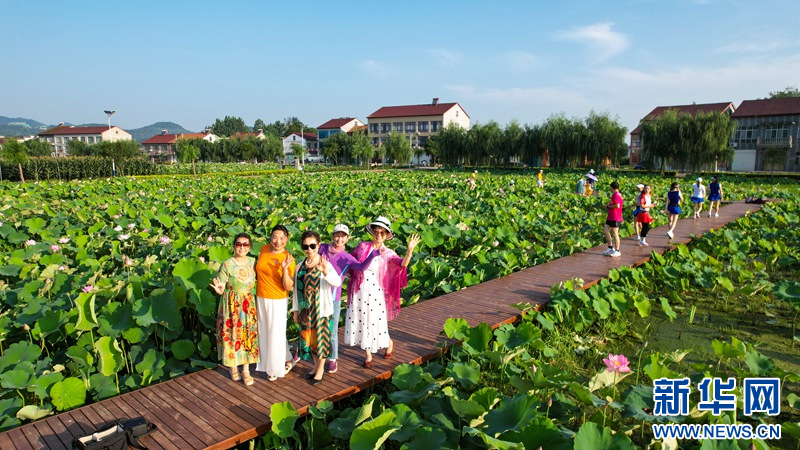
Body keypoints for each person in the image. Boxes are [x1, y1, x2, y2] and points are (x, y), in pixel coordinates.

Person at [345, 216, 421, 368]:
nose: (379, 235)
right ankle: (368, 355)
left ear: (387, 235)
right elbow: (350, 262)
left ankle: (389, 342)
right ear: (372, 232)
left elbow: (402, 264)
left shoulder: (387, 252)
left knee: (374, 321)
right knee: (361, 320)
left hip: (375, 291)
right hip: (359, 290)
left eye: (382, 232)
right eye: (376, 231)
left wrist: (410, 250)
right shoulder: (362, 247)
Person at [318, 224, 380, 373]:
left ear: (347, 239)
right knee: (314, 327)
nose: (339, 239)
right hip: (317, 294)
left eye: (343, 236)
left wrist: (372, 255)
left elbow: (361, 267)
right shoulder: (322, 248)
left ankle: (333, 358)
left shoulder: (347, 257)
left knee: (332, 331)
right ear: (333, 236)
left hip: (334, 297)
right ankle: (313, 354)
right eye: (337, 235)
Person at [291, 231, 342, 385]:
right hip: (305, 309)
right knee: (310, 340)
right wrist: (295, 310)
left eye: (313, 245)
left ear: (318, 245)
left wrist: (325, 272)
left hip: (321, 308)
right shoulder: (300, 266)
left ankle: (320, 370)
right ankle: (314, 367)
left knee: (321, 340)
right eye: (306, 246)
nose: (309, 249)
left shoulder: (324, 263)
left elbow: (337, 282)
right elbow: (296, 290)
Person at [209, 233, 259, 386]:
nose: (242, 247)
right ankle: (232, 367)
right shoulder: (227, 264)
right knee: (232, 335)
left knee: (247, 336)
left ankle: (246, 370)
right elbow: (222, 283)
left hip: (248, 303)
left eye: (245, 244)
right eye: (239, 244)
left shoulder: (253, 262)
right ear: (234, 245)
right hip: (231, 304)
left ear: (249, 247)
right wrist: (219, 289)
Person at [255, 224, 298, 381]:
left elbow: (288, 286)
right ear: (270, 237)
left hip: (278, 299)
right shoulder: (264, 249)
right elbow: (258, 270)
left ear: (286, 239)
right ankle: (288, 358)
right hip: (261, 296)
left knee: (275, 332)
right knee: (265, 331)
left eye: (281, 238)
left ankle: (274, 368)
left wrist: (285, 269)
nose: (278, 241)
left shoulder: (288, 258)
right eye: (275, 237)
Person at [602, 181, 623, 258]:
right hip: (610, 216)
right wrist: (609, 205)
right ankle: (610, 247)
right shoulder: (615, 194)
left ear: (612, 187)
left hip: (615, 217)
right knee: (605, 230)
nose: (610, 189)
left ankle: (617, 250)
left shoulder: (616, 195)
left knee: (615, 233)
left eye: (610, 187)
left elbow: (617, 205)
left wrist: (608, 207)